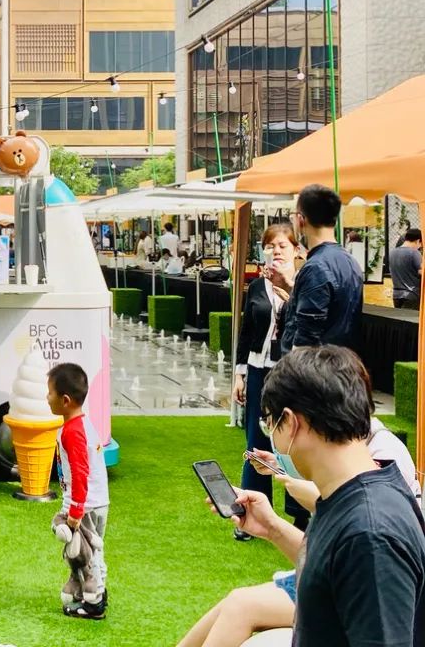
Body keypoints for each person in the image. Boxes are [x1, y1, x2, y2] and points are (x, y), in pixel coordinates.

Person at [181, 350, 422, 647]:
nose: (271, 436)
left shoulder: (370, 534)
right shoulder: (352, 493)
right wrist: (272, 527)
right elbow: (330, 572)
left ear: (291, 422)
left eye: (270, 424)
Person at [232, 223, 309, 537]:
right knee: (256, 441)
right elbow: (247, 330)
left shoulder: (303, 284)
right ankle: (251, 511)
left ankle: (301, 513)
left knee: (293, 442)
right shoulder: (256, 286)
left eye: (282, 245)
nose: (276, 251)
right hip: (258, 370)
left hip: (289, 372)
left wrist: (290, 294)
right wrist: (239, 374)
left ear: (295, 250)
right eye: (270, 245)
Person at [48, 363, 110, 620]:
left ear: (65, 400)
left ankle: (94, 602)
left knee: (87, 553)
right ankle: (94, 592)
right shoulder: (81, 425)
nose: (47, 398)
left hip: (85, 504)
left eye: (50, 393)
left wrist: (75, 510)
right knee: (91, 550)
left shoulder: (73, 432)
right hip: (96, 501)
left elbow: (80, 472)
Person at [269, 184, 362, 352]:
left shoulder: (315, 267)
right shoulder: (351, 262)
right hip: (341, 361)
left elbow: (305, 342)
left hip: (314, 365)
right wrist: (292, 289)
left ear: (300, 219)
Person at [390, 228, 422, 310]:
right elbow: (422, 272)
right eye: (421, 245)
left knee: (399, 317)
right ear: (418, 241)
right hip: (411, 295)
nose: (420, 247)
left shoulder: (392, 253)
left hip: (396, 295)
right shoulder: (414, 253)